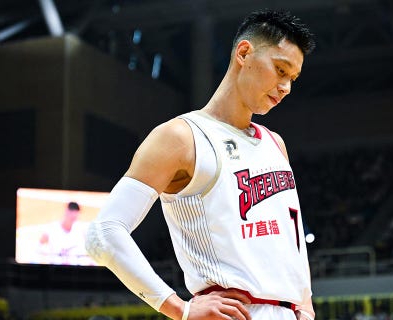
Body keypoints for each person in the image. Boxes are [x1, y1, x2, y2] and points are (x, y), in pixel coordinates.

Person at [85, 9, 316, 320]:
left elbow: (293, 240)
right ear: (244, 53)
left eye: (293, 78)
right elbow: (103, 233)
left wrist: (306, 305)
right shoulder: (180, 137)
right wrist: (179, 308)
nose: (286, 87)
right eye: (280, 70)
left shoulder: (276, 143)